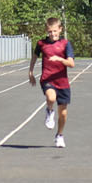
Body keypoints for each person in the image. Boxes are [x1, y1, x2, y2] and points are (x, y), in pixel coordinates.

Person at [28, 16, 75, 149]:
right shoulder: (41, 44)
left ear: (60, 29)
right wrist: (30, 72)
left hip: (63, 82)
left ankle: (59, 135)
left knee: (63, 113)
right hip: (47, 79)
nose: (52, 34)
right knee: (51, 97)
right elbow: (34, 56)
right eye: (49, 31)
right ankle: (49, 111)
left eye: (55, 31)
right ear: (46, 30)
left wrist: (60, 59)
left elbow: (71, 63)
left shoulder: (66, 44)